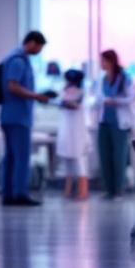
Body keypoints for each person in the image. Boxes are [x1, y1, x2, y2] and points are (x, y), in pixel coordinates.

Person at [0, 31, 55, 206]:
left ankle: (8, 194)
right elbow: (13, 86)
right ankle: (19, 194)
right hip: (18, 117)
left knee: (10, 157)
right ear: (32, 43)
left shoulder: (12, 58)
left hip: (9, 116)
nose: (39, 51)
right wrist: (36, 96)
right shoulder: (18, 60)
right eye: (39, 47)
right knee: (21, 157)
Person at [95, 49, 135, 199]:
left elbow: (131, 97)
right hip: (104, 121)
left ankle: (118, 189)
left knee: (119, 157)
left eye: (103, 61)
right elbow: (98, 97)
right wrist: (104, 101)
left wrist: (115, 101)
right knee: (104, 155)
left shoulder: (124, 77)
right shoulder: (101, 78)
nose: (101, 64)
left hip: (119, 123)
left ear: (111, 61)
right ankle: (109, 189)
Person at [57, 69, 90, 201]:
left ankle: (83, 191)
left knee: (80, 160)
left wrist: (66, 103)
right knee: (67, 161)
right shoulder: (64, 92)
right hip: (67, 130)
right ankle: (68, 189)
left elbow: (75, 105)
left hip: (77, 131)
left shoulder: (81, 93)